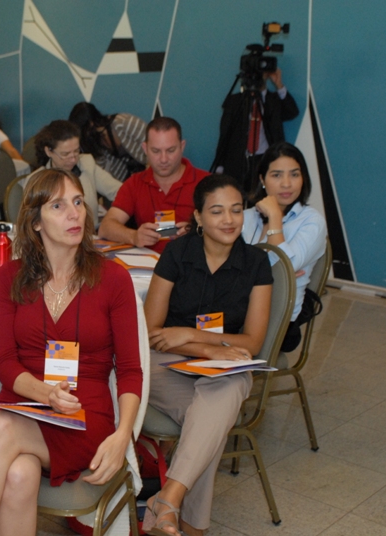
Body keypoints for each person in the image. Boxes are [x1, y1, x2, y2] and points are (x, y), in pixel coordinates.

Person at [0, 169, 142, 536]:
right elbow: (5, 363)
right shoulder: (10, 277)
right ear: (36, 221)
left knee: (0, 428)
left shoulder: (113, 279)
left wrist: (123, 435)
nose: (74, 213)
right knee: (18, 474)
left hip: (84, 413)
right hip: (24, 401)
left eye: (78, 202)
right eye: (58, 206)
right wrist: (46, 394)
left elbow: (131, 369)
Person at [142, 174, 273, 536]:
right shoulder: (176, 253)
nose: (229, 220)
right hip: (164, 363)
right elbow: (151, 331)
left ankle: (167, 501)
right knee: (211, 423)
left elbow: (252, 343)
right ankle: (184, 520)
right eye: (217, 211)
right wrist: (205, 347)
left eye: (236, 210)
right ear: (198, 216)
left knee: (223, 397)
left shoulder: (256, 263)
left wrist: (188, 334)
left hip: (220, 369)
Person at [243, 142, 327, 352]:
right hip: (237, 308)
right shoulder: (246, 216)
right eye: (277, 175)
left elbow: (285, 267)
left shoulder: (312, 221)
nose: (287, 184)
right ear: (262, 179)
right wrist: (270, 272)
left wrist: (274, 217)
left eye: (294, 174)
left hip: (279, 321)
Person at [98, 117, 210, 253]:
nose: (163, 159)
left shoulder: (207, 182)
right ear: (145, 148)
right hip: (149, 263)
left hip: (194, 261)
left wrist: (197, 233)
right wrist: (134, 236)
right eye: (156, 151)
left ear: (182, 146)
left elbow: (227, 228)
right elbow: (105, 227)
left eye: (171, 150)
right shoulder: (135, 183)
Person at [211, 68, 300, 194]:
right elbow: (225, 134)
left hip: (264, 159)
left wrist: (279, 85)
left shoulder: (273, 100)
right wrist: (220, 167)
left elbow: (292, 112)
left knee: (262, 198)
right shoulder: (234, 101)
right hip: (237, 161)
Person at [30, 119, 121, 228]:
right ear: (49, 151)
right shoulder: (36, 180)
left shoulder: (87, 164)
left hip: (90, 233)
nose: (73, 159)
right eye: (65, 154)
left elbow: (119, 191)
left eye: (76, 151)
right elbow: (33, 222)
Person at [68, 102, 147, 182]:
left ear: (90, 124)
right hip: (128, 181)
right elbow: (106, 175)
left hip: (149, 171)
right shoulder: (96, 144)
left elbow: (152, 146)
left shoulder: (124, 123)